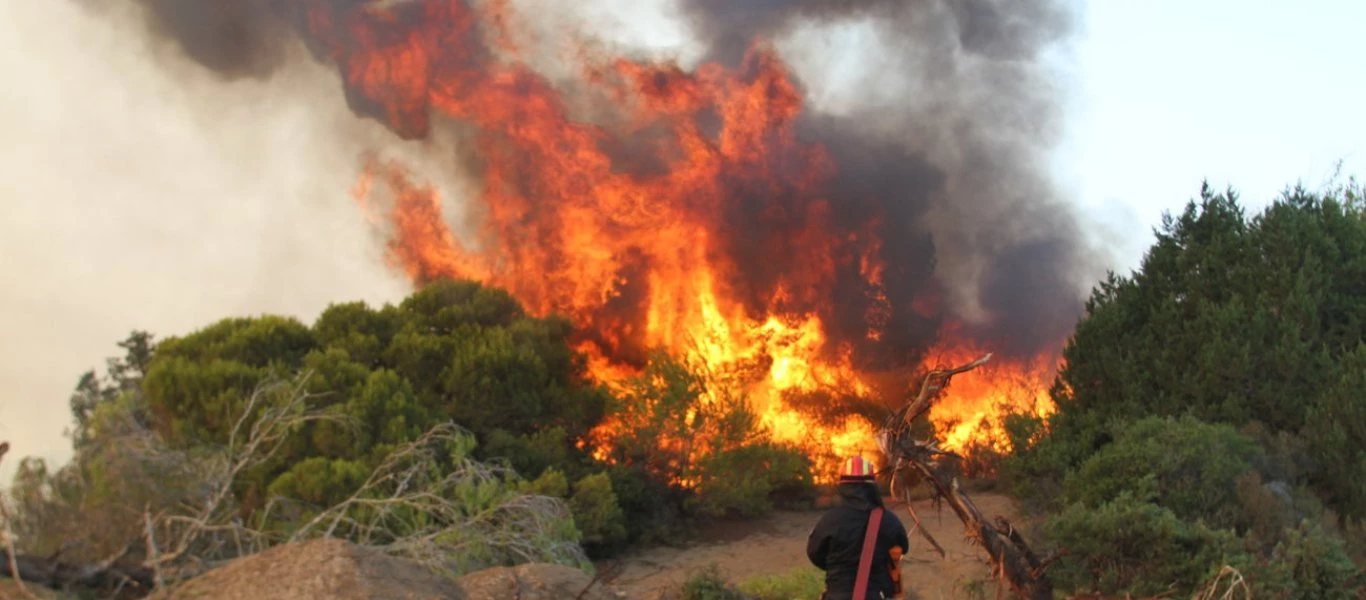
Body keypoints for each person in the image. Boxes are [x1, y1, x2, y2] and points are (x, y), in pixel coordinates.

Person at [806, 455, 910, 600]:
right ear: (872, 487)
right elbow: (903, 547)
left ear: (843, 487)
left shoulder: (829, 520)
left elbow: (815, 554)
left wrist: (837, 566)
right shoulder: (888, 521)